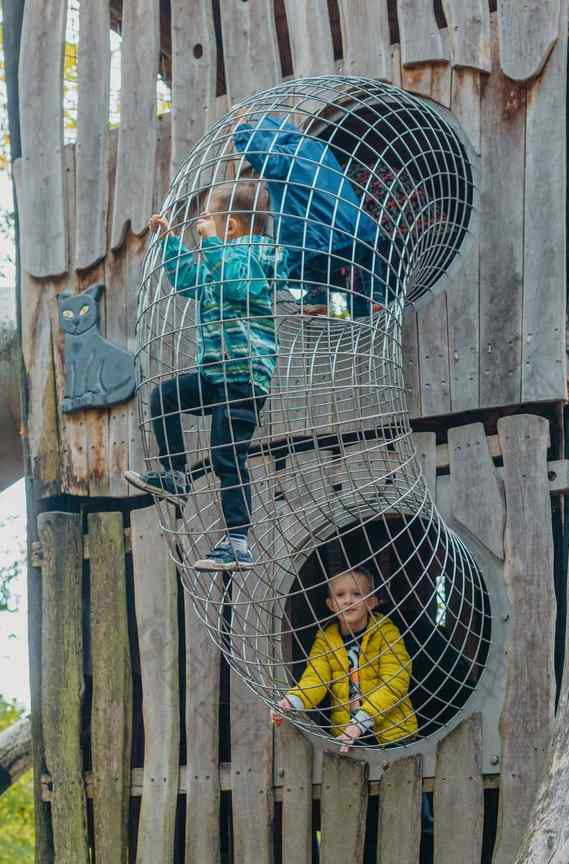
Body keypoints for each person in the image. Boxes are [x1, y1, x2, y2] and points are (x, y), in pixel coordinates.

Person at [124, 181, 288, 571]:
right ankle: (176, 474)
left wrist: (211, 243)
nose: (203, 228)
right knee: (164, 397)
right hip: (215, 374)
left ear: (229, 227)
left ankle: (237, 541)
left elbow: (235, 285)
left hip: (244, 378)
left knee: (227, 456)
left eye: (209, 222)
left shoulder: (255, 254)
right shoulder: (219, 257)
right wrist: (168, 241)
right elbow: (187, 282)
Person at [232, 112, 389, 318]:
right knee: (365, 254)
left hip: (317, 241)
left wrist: (242, 130)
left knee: (301, 250)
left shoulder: (285, 157)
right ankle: (373, 298)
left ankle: (317, 297)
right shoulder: (317, 147)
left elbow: (265, 156)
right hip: (356, 232)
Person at [272, 566, 417, 750]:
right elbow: (315, 679)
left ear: (371, 602)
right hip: (347, 735)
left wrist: (360, 722)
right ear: (331, 604)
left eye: (356, 594)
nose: (348, 600)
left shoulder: (386, 633)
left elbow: (395, 681)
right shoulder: (326, 640)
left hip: (393, 734)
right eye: (340, 595)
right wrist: (291, 702)